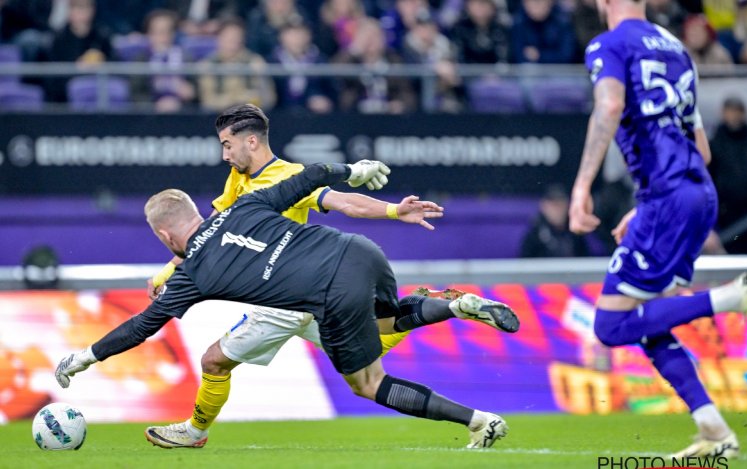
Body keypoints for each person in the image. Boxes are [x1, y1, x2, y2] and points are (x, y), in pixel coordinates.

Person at [55, 162, 519, 450]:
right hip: (360, 251)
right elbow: (314, 176)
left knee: (368, 384)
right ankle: (456, 307)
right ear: (198, 210)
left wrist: (85, 356)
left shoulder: (193, 272)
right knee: (387, 320)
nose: (225, 153)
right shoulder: (240, 205)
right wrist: (354, 170)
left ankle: (479, 422)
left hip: (319, 295)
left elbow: (140, 327)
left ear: (162, 235)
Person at [139, 104, 517, 448]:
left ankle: (195, 431)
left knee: (213, 362)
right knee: (376, 359)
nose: (224, 154)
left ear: (250, 141)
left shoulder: (289, 177)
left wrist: (392, 211)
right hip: (314, 298)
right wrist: (164, 274)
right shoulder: (238, 180)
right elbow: (209, 238)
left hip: (283, 299)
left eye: (227, 145)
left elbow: (342, 201)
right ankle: (472, 394)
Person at [568, 0, 747, 459]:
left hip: (668, 198)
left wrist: (581, 186)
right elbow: (701, 149)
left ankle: (730, 297)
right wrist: (646, 208)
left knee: (610, 325)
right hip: (697, 194)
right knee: (646, 324)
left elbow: (609, 106)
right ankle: (713, 429)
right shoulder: (676, 48)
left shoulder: (607, 45)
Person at [197, 18, 276, 111]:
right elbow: (207, 101)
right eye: (228, 35)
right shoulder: (208, 64)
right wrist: (234, 100)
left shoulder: (255, 61)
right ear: (219, 37)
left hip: (251, 115)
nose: (233, 39)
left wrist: (248, 102)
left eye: (237, 35)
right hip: (218, 116)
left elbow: (268, 98)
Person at [708, 97, 747, 253]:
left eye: (737, 112)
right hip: (727, 219)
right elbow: (708, 180)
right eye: (730, 112)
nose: (734, 116)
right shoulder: (715, 143)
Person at [520, 185, 590, 258]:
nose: (557, 210)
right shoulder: (534, 236)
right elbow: (525, 265)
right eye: (553, 205)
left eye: (560, 204)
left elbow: (586, 262)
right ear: (544, 206)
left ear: (567, 206)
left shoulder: (575, 234)